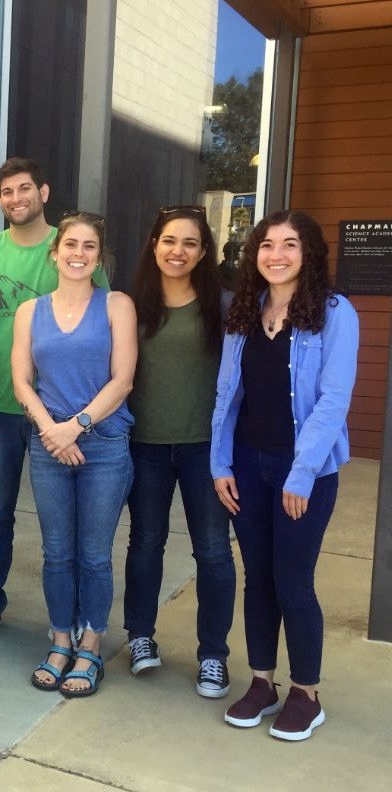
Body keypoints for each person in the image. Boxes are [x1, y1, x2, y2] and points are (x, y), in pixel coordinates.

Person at [212, 210, 358, 741]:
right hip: (248, 464)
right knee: (258, 579)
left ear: (309, 252)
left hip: (307, 471)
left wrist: (301, 473)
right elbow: (228, 393)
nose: (277, 255)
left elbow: (333, 400)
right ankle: (262, 682)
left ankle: (306, 693)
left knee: (293, 581)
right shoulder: (246, 309)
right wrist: (219, 462)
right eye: (267, 245)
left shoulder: (335, 312)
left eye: (290, 245)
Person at [0, 157, 110, 644]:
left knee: (66, 525)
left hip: (62, 415)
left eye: (25, 189)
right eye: (6, 191)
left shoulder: (72, 249)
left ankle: (76, 618)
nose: (16, 198)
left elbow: (104, 327)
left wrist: (88, 416)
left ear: (43, 192)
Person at [10, 211, 136, 698]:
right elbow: (22, 380)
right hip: (48, 445)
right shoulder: (29, 311)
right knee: (57, 552)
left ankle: (91, 646)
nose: (78, 254)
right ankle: (60, 639)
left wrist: (77, 426)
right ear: (54, 252)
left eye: (89, 246)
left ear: (99, 256)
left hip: (103, 444)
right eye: (71, 245)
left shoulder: (116, 305)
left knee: (93, 554)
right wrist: (51, 432)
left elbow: (122, 380)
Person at [122, 205, 236, 698]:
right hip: (144, 445)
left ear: (204, 252)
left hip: (205, 451)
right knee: (145, 544)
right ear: (154, 245)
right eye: (169, 241)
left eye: (190, 243)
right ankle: (140, 637)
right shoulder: (129, 306)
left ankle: (213, 655)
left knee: (212, 552)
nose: (178, 251)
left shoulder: (226, 308)